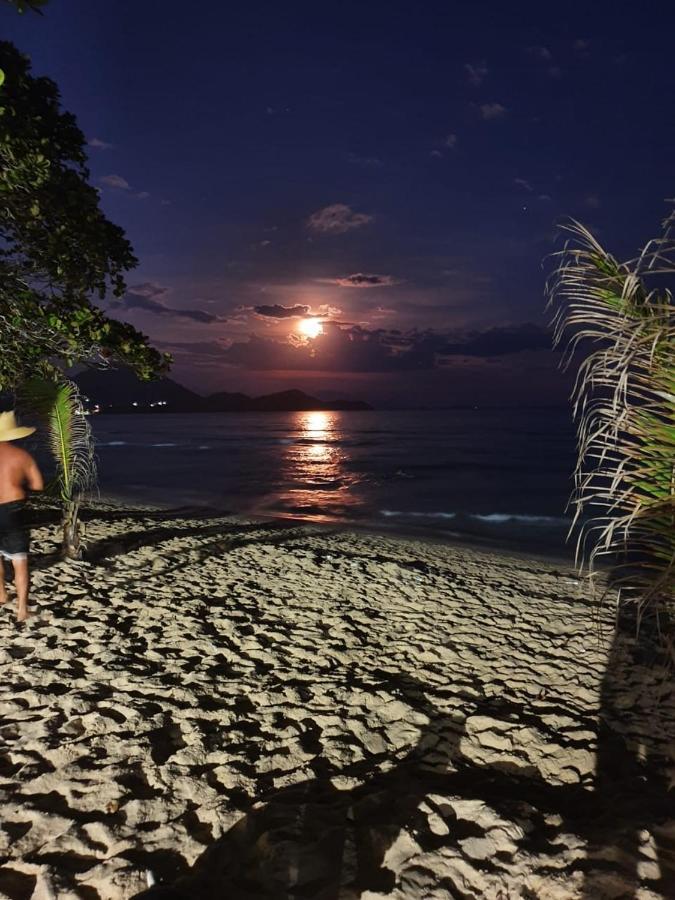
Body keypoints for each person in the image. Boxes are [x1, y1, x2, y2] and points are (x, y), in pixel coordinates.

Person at [0, 411, 44, 622]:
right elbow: (38, 485)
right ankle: (22, 610)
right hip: (14, 510)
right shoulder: (22, 456)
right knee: (20, 560)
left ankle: (1, 594)